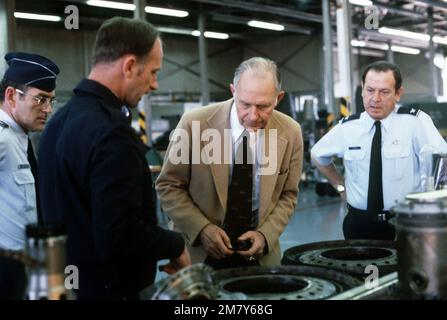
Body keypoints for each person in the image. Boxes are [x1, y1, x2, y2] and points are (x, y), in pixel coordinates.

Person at [38, 17, 190, 300]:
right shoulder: (112, 134)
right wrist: (175, 244)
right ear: (130, 66)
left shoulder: (58, 123)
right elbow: (121, 236)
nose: (154, 85)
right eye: (154, 72)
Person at [156, 57, 303, 269]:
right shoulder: (193, 124)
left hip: (257, 256)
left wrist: (265, 235)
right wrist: (202, 229)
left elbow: (288, 195)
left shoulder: (291, 132)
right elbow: (168, 185)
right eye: (245, 104)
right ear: (233, 91)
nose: (252, 116)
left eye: (263, 106)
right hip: (199, 254)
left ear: (278, 98)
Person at [311, 61, 447, 240]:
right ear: (362, 91)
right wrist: (341, 187)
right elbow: (318, 155)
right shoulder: (348, 127)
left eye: (384, 92)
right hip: (358, 224)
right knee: (361, 268)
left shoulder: (415, 122)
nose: (375, 98)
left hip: (404, 224)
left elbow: (442, 163)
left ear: (398, 93)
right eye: (370, 90)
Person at [0, 52, 59, 299]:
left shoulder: (19, 138)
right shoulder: (2, 139)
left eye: (51, 101)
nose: (48, 109)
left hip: (24, 266)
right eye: (41, 100)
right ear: (12, 95)